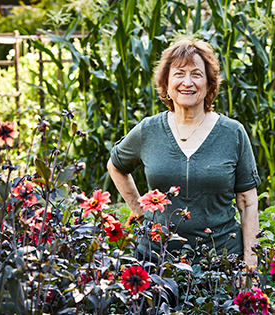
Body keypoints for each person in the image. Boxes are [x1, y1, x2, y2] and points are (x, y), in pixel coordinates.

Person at [107, 38, 260, 266]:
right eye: (179, 74)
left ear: (209, 84)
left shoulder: (232, 133)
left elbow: (247, 203)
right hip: (157, 261)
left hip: (219, 263)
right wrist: (139, 211)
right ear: (166, 83)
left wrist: (250, 263)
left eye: (196, 74)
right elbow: (116, 166)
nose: (187, 82)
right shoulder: (149, 130)